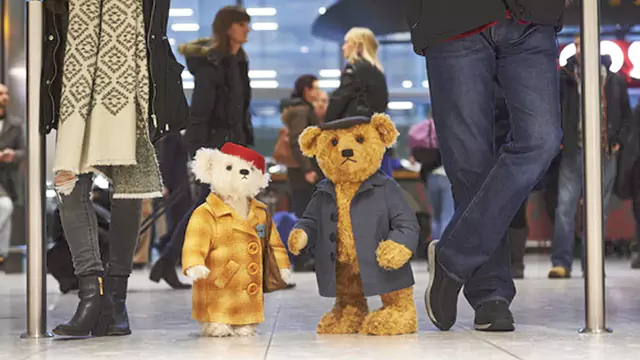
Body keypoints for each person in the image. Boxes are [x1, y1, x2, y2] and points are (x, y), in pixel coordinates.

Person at [409, 0, 566, 332]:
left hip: (532, 16)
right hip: (451, 18)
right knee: (468, 163)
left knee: (542, 140)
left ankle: (453, 256)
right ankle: (490, 293)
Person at [47, 0, 166, 338]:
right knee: (70, 183)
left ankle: (116, 298)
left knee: (128, 184)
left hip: (131, 83)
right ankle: (91, 294)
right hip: (70, 84)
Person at [157, 6, 253, 283]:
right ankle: (170, 257)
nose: (247, 29)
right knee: (206, 207)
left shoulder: (238, 61)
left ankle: (170, 258)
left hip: (234, 147)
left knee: (216, 207)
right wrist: (198, 152)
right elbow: (200, 111)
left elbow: (241, 108)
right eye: (242, 24)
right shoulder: (212, 65)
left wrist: (246, 141)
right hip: (214, 147)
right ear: (228, 28)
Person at [549, 36, 631, 279]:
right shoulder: (566, 77)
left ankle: (592, 264)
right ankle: (561, 262)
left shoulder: (614, 80)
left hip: (605, 150)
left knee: (598, 210)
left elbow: (626, 115)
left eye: (582, 44)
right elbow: (555, 110)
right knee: (565, 207)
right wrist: (561, 138)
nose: (578, 49)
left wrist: (618, 141)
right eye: (575, 45)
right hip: (574, 149)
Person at [0, 84, 24, 270]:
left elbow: (24, 151)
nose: (5, 96)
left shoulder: (15, 124)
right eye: (1, 93)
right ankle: (2, 254)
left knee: (5, 210)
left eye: (7, 92)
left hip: (7, 177)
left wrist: (13, 155)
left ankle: (2, 255)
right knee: (5, 210)